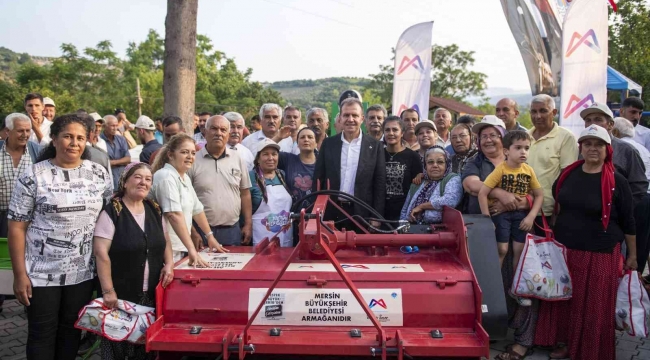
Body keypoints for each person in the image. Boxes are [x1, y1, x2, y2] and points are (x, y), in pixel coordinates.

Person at [7, 113, 112, 360]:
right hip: (40, 275)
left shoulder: (97, 174)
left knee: (71, 333)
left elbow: (108, 219)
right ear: (54, 139)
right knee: (42, 334)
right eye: (67, 136)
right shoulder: (33, 175)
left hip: (82, 273)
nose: (74, 143)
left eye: (80, 138)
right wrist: (20, 275)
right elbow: (16, 228)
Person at [535, 125, 637, 360]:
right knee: (567, 302)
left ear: (607, 149)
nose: (593, 148)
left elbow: (629, 220)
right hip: (567, 249)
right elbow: (558, 207)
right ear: (580, 147)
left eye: (598, 144)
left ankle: (590, 350)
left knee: (594, 306)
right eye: (588, 144)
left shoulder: (616, 180)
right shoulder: (568, 174)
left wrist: (632, 255)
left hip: (600, 252)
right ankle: (565, 344)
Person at [462, 116, 537, 360]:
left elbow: (535, 194)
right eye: (482, 136)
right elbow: (471, 184)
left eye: (493, 134)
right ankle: (488, 331)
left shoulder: (521, 160)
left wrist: (512, 204)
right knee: (488, 284)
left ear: (504, 139)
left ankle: (522, 339)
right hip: (484, 236)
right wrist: (499, 193)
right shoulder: (474, 161)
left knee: (520, 283)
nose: (487, 139)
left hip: (517, 231)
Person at [94, 162, 173, 360]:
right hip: (121, 293)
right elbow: (101, 252)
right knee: (119, 345)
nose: (143, 182)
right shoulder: (113, 211)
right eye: (138, 177)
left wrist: (169, 264)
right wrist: (108, 291)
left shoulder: (154, 209)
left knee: (145, 346)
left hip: (151, 293)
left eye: (148, 179)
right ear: (125, 181)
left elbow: (166, 240)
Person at [580, 102, 650, 274]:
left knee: (613, 272)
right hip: (588, 225)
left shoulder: (626, 151)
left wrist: (620, 213)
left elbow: (639, 187)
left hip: (616, 228)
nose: (593, 124)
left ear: (610, 124)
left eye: (598, 119)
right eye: (588, 120)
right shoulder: (582, 149)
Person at [479, 131, 544, 306]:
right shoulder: (501, 169)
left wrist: (531, 216)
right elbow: (482, 193)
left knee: (520, 251)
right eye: (518, 148)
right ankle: (490, 289)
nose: (523, 152)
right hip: (501, 215)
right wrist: (486, 219)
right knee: (501, 249)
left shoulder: (528, 170)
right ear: (507, 151)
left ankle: (517, 288)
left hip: (521, 216)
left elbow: (539, 195)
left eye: (526, 148)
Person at [150, 133, 227, 263]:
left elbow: (197, 209)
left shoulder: (184, 177)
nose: (190, 157)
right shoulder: (165, 176)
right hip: (166, 249)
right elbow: (173, 214)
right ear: (170, 155)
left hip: (179, 246)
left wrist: (210, 236)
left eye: (193, 153)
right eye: (184, 152)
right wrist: (191, 248)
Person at [313, 98, 386, 227]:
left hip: (362, 215)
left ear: (362, 118)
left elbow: (379, 183)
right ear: (340, 118)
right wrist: (316, 212)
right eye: (346, 115)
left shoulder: (375, 146)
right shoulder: (329, 144)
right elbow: (318, 178)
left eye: (355, 115)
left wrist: (376, 216)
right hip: (331, 212)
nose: (350, 119)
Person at [188, 116, 253, 246]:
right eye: (214, 128)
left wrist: (248, 224)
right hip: (202, 232)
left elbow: (245, 194)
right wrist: (192, 231)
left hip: (232, 231)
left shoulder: (237, 158)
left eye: (223, 130)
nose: (218, 133)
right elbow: (185, 200)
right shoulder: (192, 160)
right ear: (205, 133)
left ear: (228, 135)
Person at [527, 95, 578, 231]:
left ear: (554, 113)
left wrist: (559, 209)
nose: (538, 116)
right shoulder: (524, 137)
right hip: (523, 209)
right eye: (534, 111)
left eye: (543, 111)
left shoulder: (565, 137)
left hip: (550, 213)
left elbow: (567, 177)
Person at [0, 113, 41, 236]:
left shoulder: (37, 151)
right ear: (7, 131)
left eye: (28, 131)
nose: (25, 135)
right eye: (20, 131)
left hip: (27, 220)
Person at [401, 146, 462, 223]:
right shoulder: (418, 182)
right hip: (412, 230)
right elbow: (404, 211)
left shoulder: (452, 179)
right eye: (430, 162)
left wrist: (422, 206)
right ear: (425, 166)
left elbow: (450, 201)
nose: (435, 165)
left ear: (447, 165)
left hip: (440, 231)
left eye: (440, 162)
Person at [249, 139, 293, 247]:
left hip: (284, 237)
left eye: (274, 154)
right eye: (265, 154)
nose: (271, 158)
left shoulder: (282, 175)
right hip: (260, 236)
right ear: (258, 159)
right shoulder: (250, 177)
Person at [383, 116, 421, 221]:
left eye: (395, 130)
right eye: (387, 130)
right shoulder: (378, 154)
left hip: (404, 211)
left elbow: (418, 185)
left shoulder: (413, 156)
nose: (391, 133)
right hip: (380, 212)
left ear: (402, 133)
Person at [278, 127, 318, 209]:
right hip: (292, 214)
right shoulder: (288, 159)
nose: (306, 139)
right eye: (302, 137)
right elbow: (264, 151)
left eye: (310, 137)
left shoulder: (323, 163)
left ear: (316, 143)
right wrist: (278, 137)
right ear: (297, 143)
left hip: (317, 214)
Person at [101, 115, 131, 190]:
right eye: (112, 126)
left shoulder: (121, 139)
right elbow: (102, 163)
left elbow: (128, 159)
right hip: (107, 181)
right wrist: (121, 161)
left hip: (121, 180)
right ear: (104, 126)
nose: (115, 128)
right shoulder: (99, 141)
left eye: (116, 125)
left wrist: (112, 162)